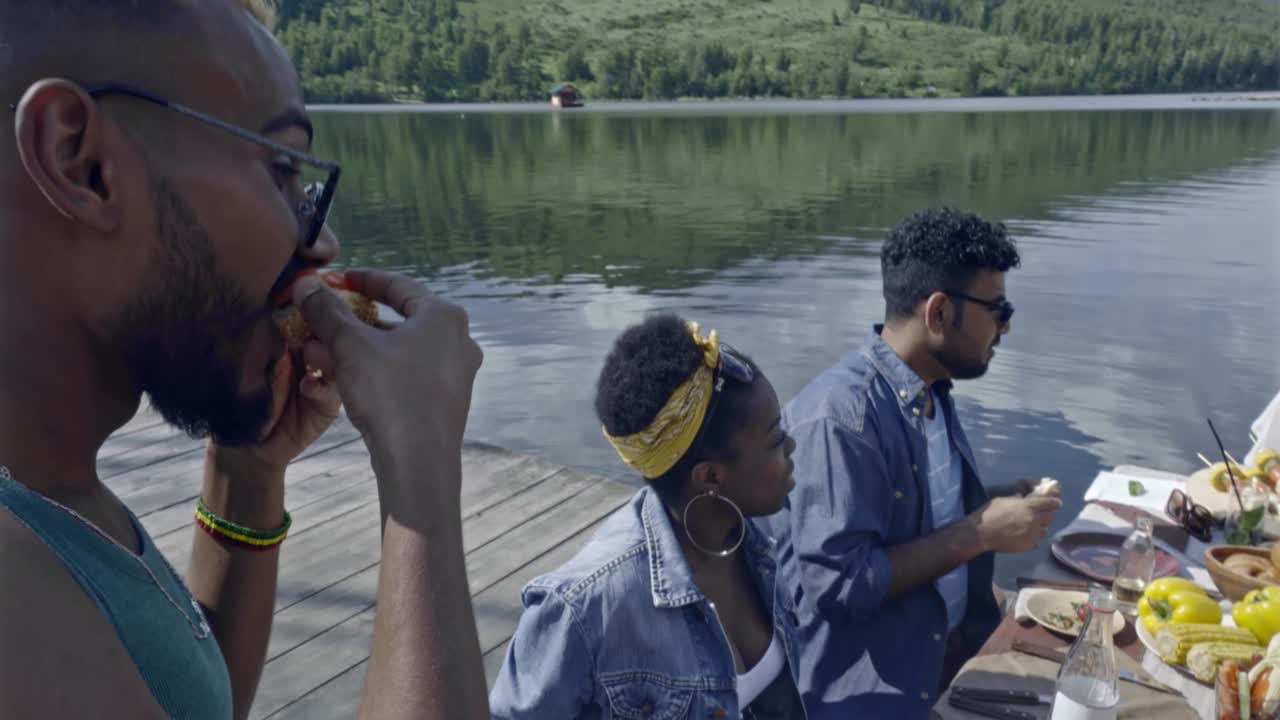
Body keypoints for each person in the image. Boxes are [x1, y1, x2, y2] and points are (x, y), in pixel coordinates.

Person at [0, 2, 487, 718]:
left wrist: (247, 472)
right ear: (83, 163)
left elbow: (178, 698)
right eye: (282, 167)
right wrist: (420, 466)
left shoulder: (51, 490)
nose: (322, 246)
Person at [760, 208, 1063, 718]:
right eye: (999, 309)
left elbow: (909, 515)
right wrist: (979, 533)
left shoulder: (930, 387)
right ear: (940, 312)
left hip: (941, 659)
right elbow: (840, 585)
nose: (1005, 328)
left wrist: (993, 501)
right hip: (873, 698)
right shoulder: (842, 421)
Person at [490, 314, 808, 719]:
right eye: (777, 439)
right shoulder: (584, 609)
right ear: (709, 477)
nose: (792, 446)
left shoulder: (764, 538)